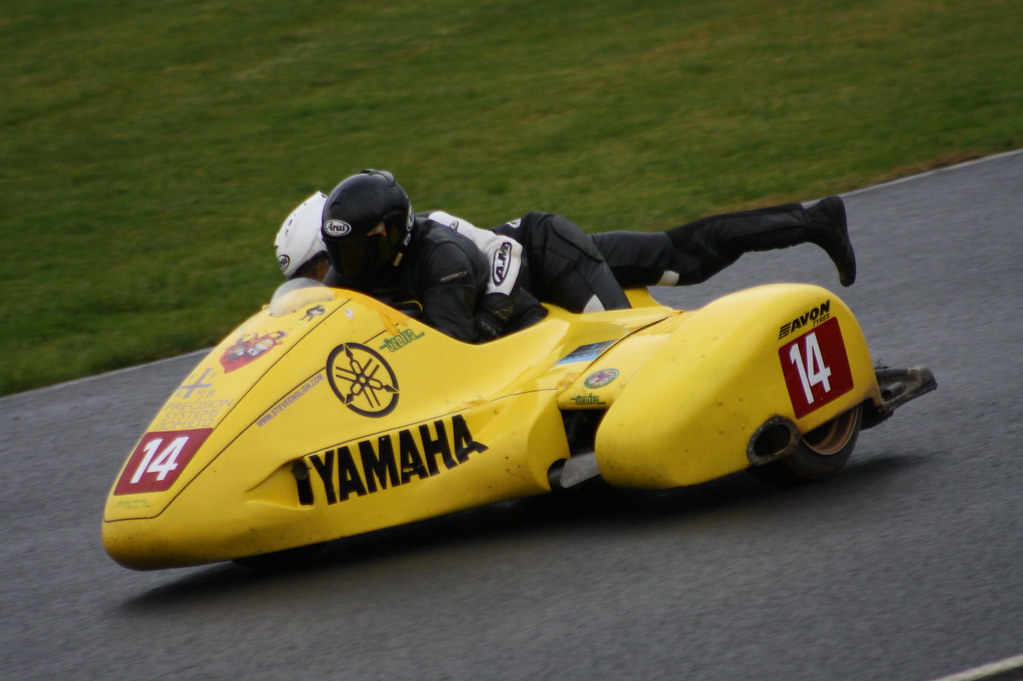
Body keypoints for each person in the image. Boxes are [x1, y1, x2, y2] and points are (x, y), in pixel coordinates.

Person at [284, 169, 855, 342]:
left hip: (549, 255)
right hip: (529, 259)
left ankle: (813, 222)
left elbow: (503, 253)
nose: (347, 264)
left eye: (364, 249)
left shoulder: (437, 247)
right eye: (339, 254)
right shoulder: (352, 273)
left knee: (625, 344)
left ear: (393, 232)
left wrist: (488, 317)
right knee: (681, 255)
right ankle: (815, 218)